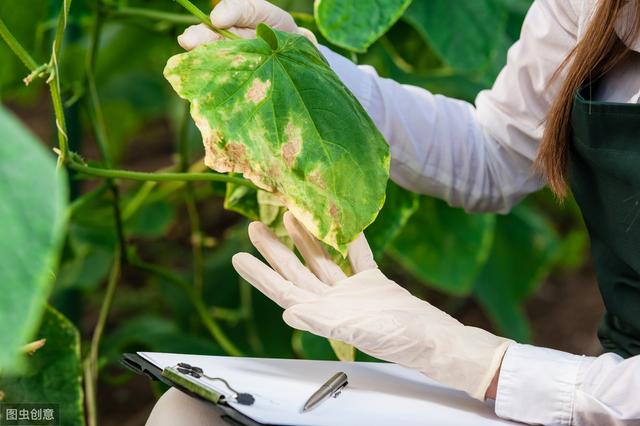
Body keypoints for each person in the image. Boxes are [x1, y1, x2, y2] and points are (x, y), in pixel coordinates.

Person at [146, 0, 640, 424]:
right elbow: (497, 156)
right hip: (594, 384)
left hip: (599, 396)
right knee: (187, 412)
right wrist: (312, 72)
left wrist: (474, 359)